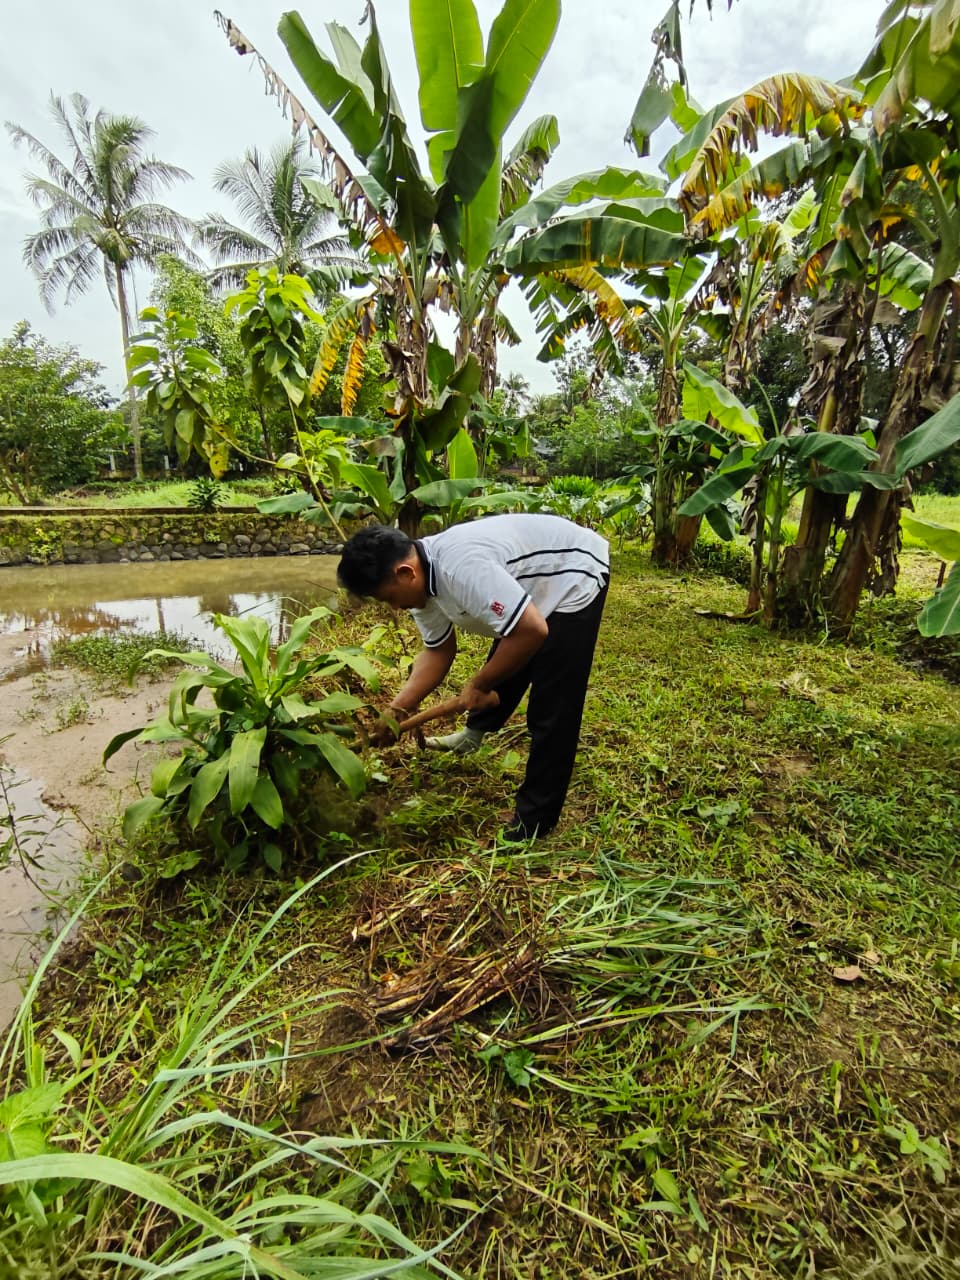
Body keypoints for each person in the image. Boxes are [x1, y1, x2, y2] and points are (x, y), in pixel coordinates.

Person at [337, 513, 610, 841]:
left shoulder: (461, 570)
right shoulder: (421, 582)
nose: (394, 608)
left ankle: (534, 822)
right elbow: (438, 652)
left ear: (405, 572)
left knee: (552, 704)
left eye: (388, 598)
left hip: (574, 569)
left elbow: (531, 630)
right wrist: (397, 710)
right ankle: (473, 734)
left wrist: (478, 685)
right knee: (509, 645)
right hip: (529, 583)